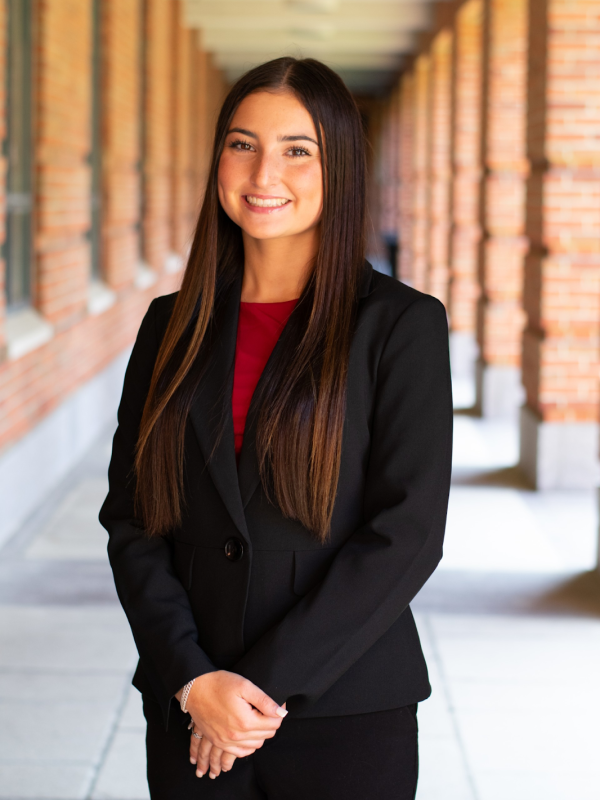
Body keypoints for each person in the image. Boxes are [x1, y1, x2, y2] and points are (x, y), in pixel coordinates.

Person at [99, 56, 453, 800]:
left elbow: (407, 532)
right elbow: (132, 521)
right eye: (242, 143)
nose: (265, 172)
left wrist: (255, 690)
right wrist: (193, 679)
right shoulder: (170, 326)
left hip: (344, 706)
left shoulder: (399, 326)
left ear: (341, 166)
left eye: (298, 149)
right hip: (190, 706)